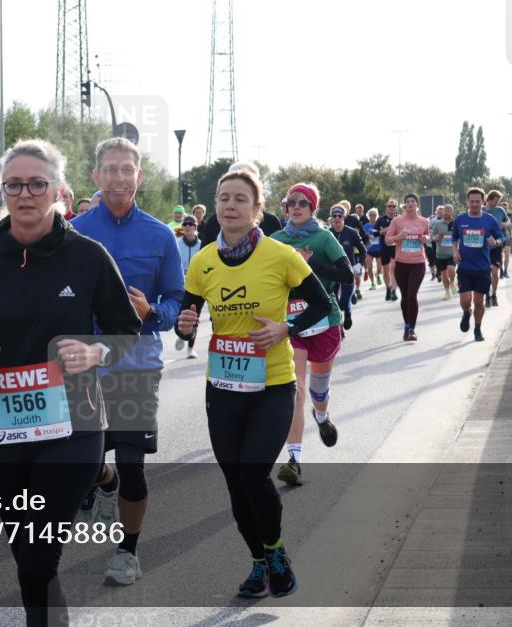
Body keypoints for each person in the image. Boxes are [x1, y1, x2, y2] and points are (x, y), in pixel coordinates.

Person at [0, 139, 140, 625]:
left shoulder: (87, 257)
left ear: (59, 191)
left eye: (37, 184)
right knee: (29, 558)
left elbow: (129, 335)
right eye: (14, 185)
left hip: (74, 428)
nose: (26, 194)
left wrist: (94, 352)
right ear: (2, 193)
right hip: (2, 434)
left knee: (40, 555)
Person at [175, 169, 332, 598]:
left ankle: (277, 551)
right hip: (223, 387)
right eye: (224, 198)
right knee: (234, 481)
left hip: (273, 385)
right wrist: (185, 325)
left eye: (241, 199)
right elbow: (186, 324)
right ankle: (259, 561)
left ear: (257, 209)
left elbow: (322, 305)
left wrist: (286, 327)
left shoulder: (282, 256)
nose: (230, 205)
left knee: (253, 472)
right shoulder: (203, 260)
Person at [70, 137, 184, 586]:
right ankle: (104, 480)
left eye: (127, 169)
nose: (119, 178)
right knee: (83, 463)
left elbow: (175, 300)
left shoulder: (160, 235)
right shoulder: (73, 232)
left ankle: (127, 551)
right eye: (110, 169)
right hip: (84, 365)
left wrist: (152, 313)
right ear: (96, 176)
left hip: (137, 364)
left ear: (140, 176)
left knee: (135, 464)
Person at [270, 184, 347, 486]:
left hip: (324, 322)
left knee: (318, 390)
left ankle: (323, 416)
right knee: (296, 390)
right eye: (292, 202)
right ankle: (295, 460)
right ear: (286, 208)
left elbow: (345, 274)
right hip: (294, 325)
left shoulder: (324, 238)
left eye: (303, 202)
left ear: (313, 208)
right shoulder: (275, 240)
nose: (297, 206)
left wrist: (309, 262)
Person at [453, 187, 504, 342]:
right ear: (467, 202)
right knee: (465, 301)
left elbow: (502, 238)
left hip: (482, 267)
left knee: (479, 301)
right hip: (465, 267)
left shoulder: (489, 220)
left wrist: (495, 242)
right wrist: (455, 251)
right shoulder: (460, 220)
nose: (474, 204)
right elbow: (454, 238)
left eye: (477, 201)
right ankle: (466, 312)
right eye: (471, 201)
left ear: (483, 202)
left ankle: (477, 329)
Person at [386, 193, 430, 341]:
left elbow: (428, 236)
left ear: (417, 205)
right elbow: (387, 240)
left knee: (412, 295)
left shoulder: (423, 221)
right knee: (405, 296)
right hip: (402, 264)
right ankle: (406, 325)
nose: (411, 204)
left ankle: (412, 329)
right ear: (405, 205)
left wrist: (426, 238)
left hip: (418, 263)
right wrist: (399, 237)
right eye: (408, 202)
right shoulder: (397, 221)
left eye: (413, 201)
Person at [327, 205, 365, 330]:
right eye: (334, 216)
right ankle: (339, 327)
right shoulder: (327, 234)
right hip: (333, 272)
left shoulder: (352, 233)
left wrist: (359, 264)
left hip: (349, 272)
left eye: (340, 216)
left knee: (344, 300)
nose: (337, 218)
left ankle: (348, 312)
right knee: (335, 301)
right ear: (331, 218)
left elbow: (363, 251)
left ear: (344, 217)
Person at [175, 215, 202, 358]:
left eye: (190, 224)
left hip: (196, 285)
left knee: (193, 314)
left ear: (195, 227)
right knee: (180, 311)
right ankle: (181, 333)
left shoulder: (201, 245)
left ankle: (190, 348)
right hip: (180, 282)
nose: (187, 227)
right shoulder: (177, 243)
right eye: (185, 224)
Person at [484, 191, 510, 306]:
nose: (497, 203)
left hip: (497, 244)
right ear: (488, 199)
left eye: (498, 201)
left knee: (494, 272)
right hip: (483, 246)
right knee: (485, 272)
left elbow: (508, 221)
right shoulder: (481, 210)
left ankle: (493, 294)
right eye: (495, 201)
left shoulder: (500, 210)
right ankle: (486, 295)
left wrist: (504, 225)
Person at [374, 199, 399, 301]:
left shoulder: (400, 219)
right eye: (389, 206)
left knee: (393, 269)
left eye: (393, 206)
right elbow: (374, 233)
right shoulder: (381, 220)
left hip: (396, 247)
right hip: (384, 247)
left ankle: (394, 291)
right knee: (386, 271)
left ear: (396, 208)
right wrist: (382, 231)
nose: (391, 208)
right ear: (386, 208)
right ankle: (388, 288)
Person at [432, 203, 457, 299]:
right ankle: (447, 292)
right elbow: (431, 237)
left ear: (453, 212)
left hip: (452, 252)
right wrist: (436, 237)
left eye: (448, 210)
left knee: (451, 269)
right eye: (445, 210)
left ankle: (452, 282)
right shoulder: (438, 224)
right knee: (443, 274)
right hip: (440, 253)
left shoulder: (456, 223)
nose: (446, 212)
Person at [363, 208, 381, 290]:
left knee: (379, 268)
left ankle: (377, 276)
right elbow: (362, 237)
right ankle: (373, 283)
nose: (372, 216)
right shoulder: (365, 226)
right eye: (371, 215)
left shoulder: (379, 225)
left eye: (374, 215)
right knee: (369, 267)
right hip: (369, 249)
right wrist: (366, 235)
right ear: (368, 216)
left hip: (379, 249)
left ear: (376, 216)